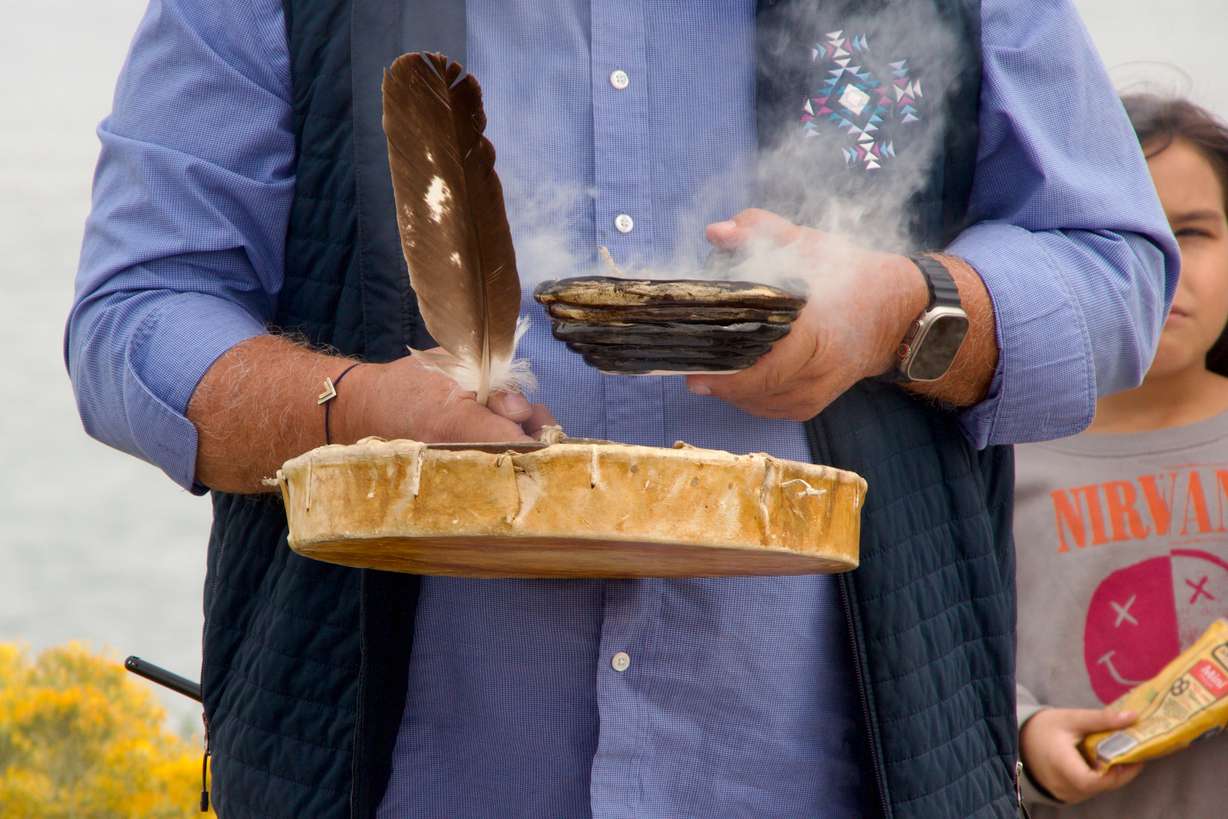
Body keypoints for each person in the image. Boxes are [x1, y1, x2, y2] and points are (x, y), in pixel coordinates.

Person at [66, 1, 1177, 816]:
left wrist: (898, 312)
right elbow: (134, 314)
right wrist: (351, 414)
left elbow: (1116, 271)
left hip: (847, 783)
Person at [1013, 95, 1228, 818]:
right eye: (1114, 235)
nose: (1158, 265)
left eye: (1191, 232)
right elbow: (945, 670)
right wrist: (1025, 739)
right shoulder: (995, 459)